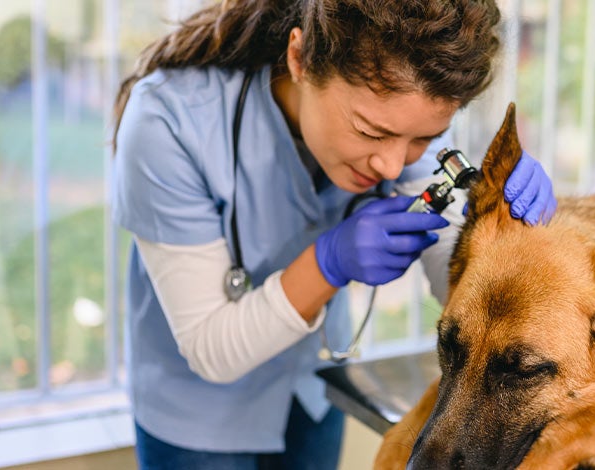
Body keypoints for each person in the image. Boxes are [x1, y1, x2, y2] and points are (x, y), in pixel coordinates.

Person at [111, 0, 557, 468]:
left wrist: (510, 237)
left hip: (312, 390)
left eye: (425, 139)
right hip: (198, 416)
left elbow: (456, 282)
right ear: (299, 59)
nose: (392, 165)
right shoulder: (167, 123)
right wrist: (328, 263)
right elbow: (212, 350)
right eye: (371, 132)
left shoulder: (404, 111)